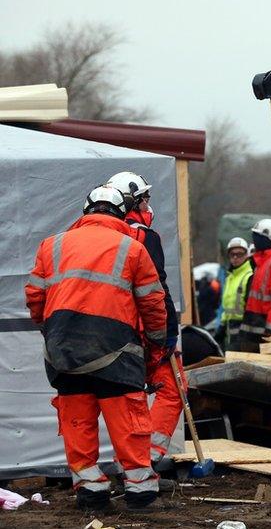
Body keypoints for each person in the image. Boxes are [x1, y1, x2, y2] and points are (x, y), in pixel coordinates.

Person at [25, 186, 166, 511]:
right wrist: (156, 343)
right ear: (120, 213)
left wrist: (51, 329)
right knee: (128, 423)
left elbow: (34, 295)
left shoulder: (51, 245)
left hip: (63, 352)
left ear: (86, 211)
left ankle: (90, 490)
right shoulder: (131, 248)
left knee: (77, 422)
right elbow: (152, 303)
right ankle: (140, 491)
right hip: (115, 351)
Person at [106, 172, 182, 469]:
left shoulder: (97, 237)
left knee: (123, 399)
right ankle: (145, 459)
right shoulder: (143, 237)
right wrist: (169, 332)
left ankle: (127, 460)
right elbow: (155, 288)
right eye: (145, 199)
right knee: (173, 390)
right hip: (146, 332)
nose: (150, 205)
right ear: (133, 202)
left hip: (110, 331)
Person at [240, 219, 271, 351]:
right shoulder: (262, 263)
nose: (254, 239)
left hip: (265, 334)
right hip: (254, 331)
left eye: (257, 236)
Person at [217, 237, 254, 351]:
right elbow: (226, 305)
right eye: (232, 254)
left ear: (246, 255)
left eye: (239, 254)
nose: (235, 258)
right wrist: (222, 326)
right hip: (230, 329)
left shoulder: (249, 276)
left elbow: (250, 306)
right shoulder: (230, 277)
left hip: (244, 329)